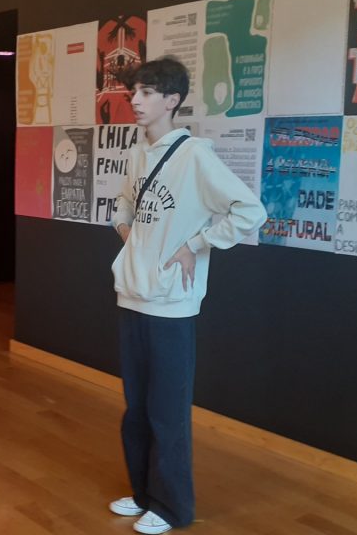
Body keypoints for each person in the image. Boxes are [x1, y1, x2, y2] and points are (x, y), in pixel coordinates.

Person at [108, 57, 266, 534]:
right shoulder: (138, 154)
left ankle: (172, 507)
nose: (135, 100)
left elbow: (250, 210)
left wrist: (195, 245)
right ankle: (143, 494)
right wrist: (130, 236)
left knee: (167, 413)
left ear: (171, 100)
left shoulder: (194, 156)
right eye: (134, 92)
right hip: (131, 297)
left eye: (146, 92)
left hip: (171, 305)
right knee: (136, 410)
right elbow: (124, 205)